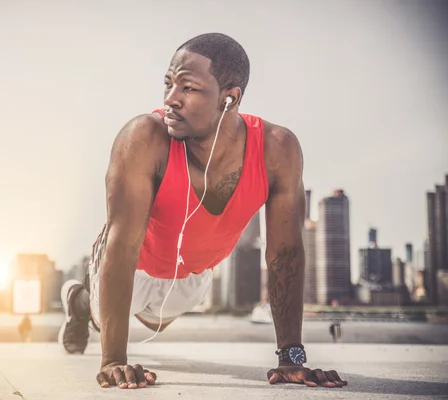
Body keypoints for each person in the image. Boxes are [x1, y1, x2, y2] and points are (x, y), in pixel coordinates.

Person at [58, 33, 348, 390]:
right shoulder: (144, 137)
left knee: (158, 321)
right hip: (128, 264)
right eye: (168, 84)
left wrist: (291, 357)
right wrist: (114, 359)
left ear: (230, 98)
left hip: (192, 277)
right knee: (109, 316)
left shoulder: (277, 149)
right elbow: (123, 245)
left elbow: (284, 255)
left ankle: (95, 306)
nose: (170, 99)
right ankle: (82, 300)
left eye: (188, 88)